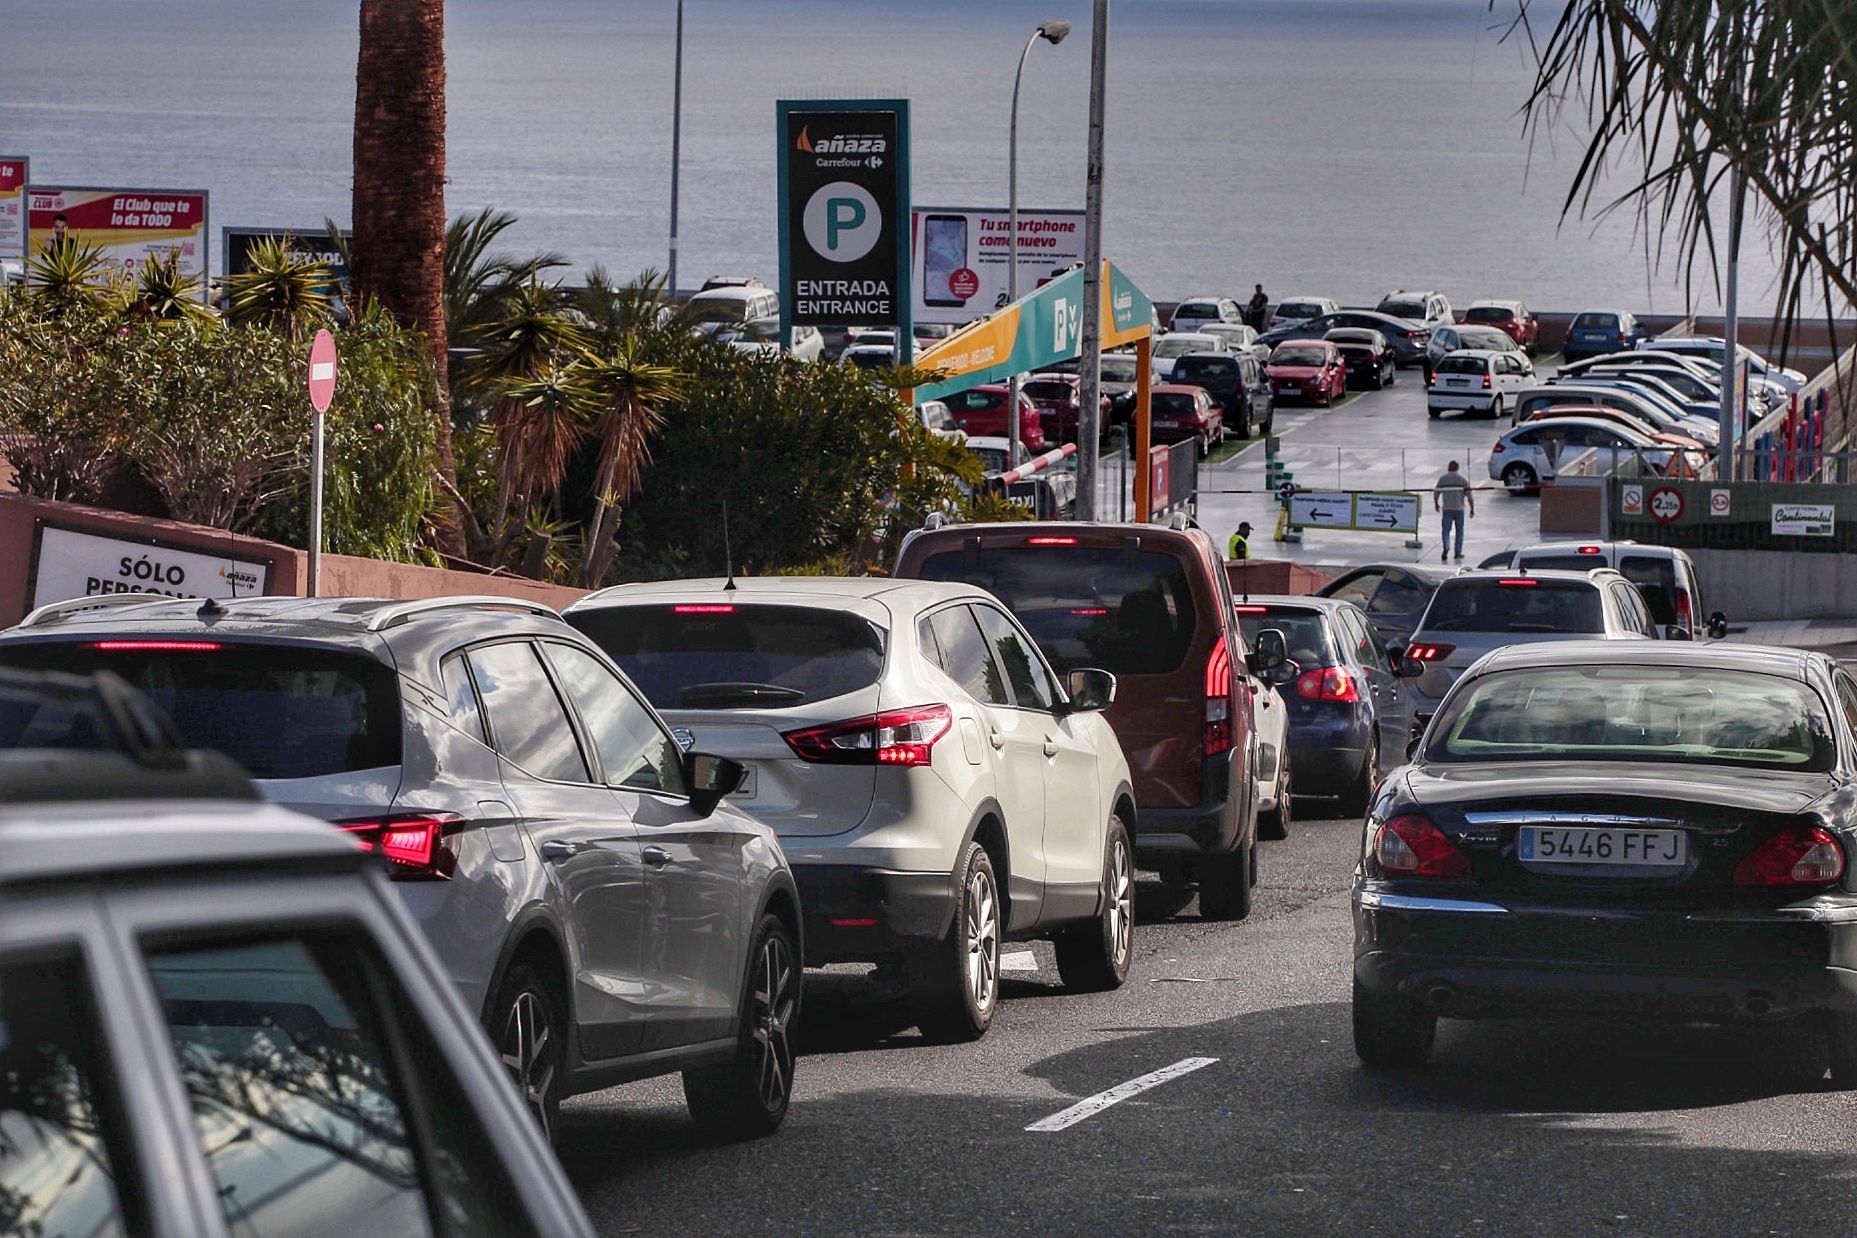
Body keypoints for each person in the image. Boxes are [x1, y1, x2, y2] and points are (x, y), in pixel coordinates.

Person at [1434, 461, 1473, 561]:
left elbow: (1436, 492)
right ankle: (1458, 552)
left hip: (1447, 509)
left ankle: (1446, 546)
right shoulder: (1462, 480)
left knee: (1446, 530)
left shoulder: (1443, 479)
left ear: (1449, 467)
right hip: (1459, 509)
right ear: (1457, 468)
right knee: (1459, 531)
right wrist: (1472, 509)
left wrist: (1436, 503)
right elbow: (1469, 496)